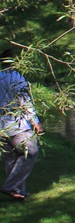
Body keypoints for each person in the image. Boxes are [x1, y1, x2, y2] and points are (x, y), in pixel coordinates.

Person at [0, 57, 43, 201]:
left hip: (1, 127)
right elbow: (25, 101)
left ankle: (19, 192)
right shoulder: (17, 77)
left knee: (11, 159)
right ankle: (11, 186)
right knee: (30, 152)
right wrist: (35, 121)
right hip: (18, 125)